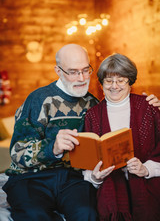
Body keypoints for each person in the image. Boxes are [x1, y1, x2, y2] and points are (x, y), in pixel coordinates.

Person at [2, 44, 160, 221]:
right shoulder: (38, 99)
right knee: (34, 215)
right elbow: (17, 152)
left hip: (72, 180)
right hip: (31, 178)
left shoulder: (93, 104)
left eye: (86, 70)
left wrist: (153, 105)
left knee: (88, 213)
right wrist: (52, 148)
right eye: (73, 72)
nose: (82, 78)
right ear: (58, 71)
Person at [84, 53, 160, 221]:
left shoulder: (148, 107)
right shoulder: (92, 116)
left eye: (121, 80)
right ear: (102, 83)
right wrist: (95, 177)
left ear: (130, 81)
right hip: (111, 189)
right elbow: (87, 170)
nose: (114, 86)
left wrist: (146, 169)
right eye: (108, 80)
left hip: (147, 186)